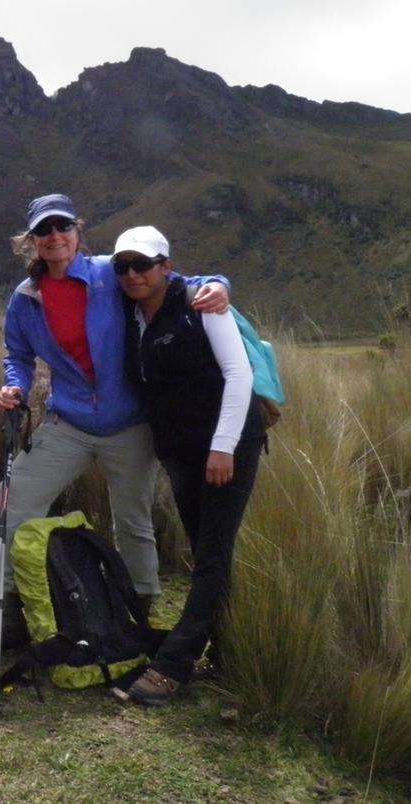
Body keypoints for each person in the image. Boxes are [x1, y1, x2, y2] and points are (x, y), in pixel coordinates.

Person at [0, 194, 230, 658]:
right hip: (69, 420)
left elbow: (177, 282)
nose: (54, 237)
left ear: (77, 233)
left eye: (62, 227)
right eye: (43, 231)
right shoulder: (27, 299)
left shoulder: (111, 273)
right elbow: (17, 356)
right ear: (32, 242)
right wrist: (14, 387)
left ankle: (136, 613)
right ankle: (4, 613)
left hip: (130, 423)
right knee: (14, 501)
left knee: (134, 522)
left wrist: (219, 284)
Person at [111, 226, 265, 706]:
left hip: (227, 446)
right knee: (207, 556)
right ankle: (228, 651)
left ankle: (173, 666)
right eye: (123, 266)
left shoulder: (201, 303)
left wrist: (224, 446)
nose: (132, 274)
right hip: (180, 451)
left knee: (213, 555)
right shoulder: (129, 313)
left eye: (143, 264)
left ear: (166, 267)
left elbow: (239, 374)